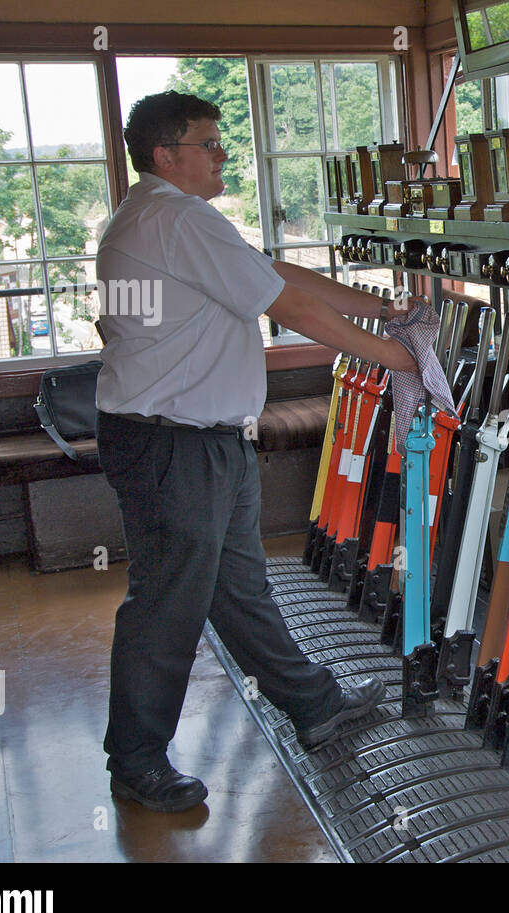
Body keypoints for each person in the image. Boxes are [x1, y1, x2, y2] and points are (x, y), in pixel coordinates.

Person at [95, 91, 419, 812]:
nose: (222, 155)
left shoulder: (162, 217)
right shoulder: (176, 218)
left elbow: (276, 276)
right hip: (173, 446)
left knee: (236, 587)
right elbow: (292, 309)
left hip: (197, 440)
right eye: (209, 144)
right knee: (167, 604)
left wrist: (382, 308)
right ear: (165, 155)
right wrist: (399, 357)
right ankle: (137, 759)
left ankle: (312, 702)